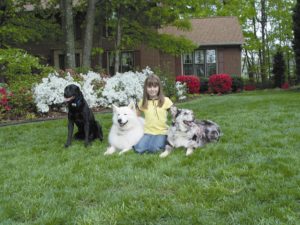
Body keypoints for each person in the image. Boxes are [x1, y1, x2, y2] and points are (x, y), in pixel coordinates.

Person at [134, 74, 173, 154]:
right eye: (149, 87)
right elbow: (135, 116)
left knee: (153, 149)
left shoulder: (166, 100)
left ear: (159, 88)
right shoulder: (143, 102)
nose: (152, 89)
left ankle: (167, 142)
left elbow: (176, 114)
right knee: (139, 149)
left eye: (155, 87)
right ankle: (147, 143)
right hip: (147, 131)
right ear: (146, 88)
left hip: (162, 132)